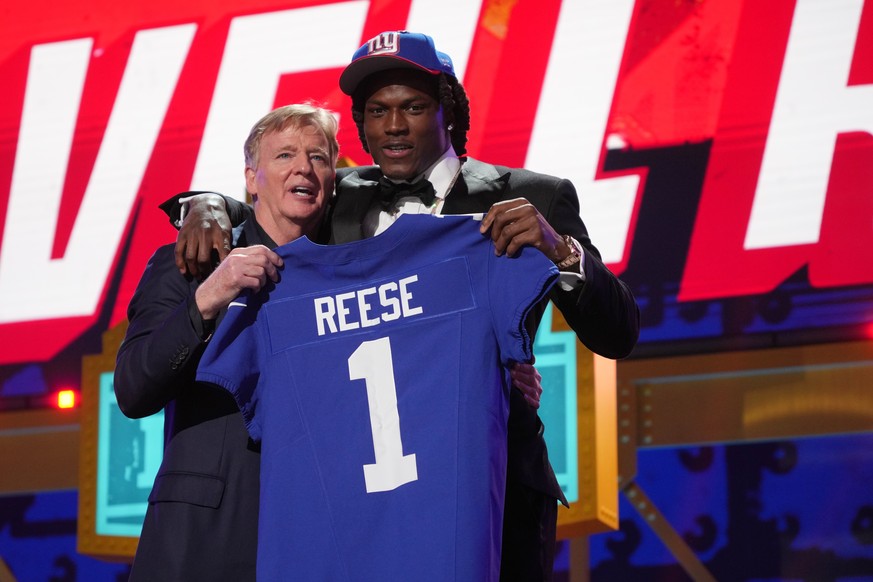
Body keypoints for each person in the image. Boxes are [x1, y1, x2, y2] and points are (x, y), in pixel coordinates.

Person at [168, 31, 639, 581]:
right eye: (377, 111)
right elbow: (271, 195)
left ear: (448, 111)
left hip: (492, 479)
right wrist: (205, 205)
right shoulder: (340, 194)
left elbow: (618, 332)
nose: (393, 126)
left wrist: (560, 250)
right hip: (362, 488)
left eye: (412, 107)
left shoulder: (533, 195)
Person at [114, 103, 339, 581]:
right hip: (202, 540)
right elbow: (133, 390)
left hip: (314, 534)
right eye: (284, 155)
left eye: (318, 157)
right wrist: (209, 296)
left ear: (333, 179)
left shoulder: (345, 270)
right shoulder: (192, 260)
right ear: (252, 178)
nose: (303, 167)